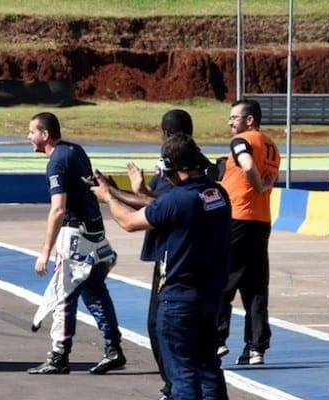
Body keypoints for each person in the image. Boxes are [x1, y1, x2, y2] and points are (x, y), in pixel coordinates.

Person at [91, 134, 231, 400]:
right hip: (210, 296)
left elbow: (130, 223)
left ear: (170, 167)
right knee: (209, 370)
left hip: (179, 298)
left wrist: (108, 199)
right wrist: (135, 192)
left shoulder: (177, 199)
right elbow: (165, 208)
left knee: (183, 374)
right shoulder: (217, 194)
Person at [25, 111, 126, 375]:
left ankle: (59, 356)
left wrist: (44, 253)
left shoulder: (56, 161)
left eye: (32, 132)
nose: (28, 137)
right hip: (96, 234)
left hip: (76, 239)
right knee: (95, 292)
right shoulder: (75, 150)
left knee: (63, 296)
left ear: (44, 135)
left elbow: (58, 209)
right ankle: (113, 349)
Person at [216, 99, 279, 365]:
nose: (231, 122)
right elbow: (270, 177)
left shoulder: (241, 141)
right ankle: (256, 347)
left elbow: (249, 167)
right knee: (255, 284)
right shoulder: (272, 146)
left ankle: (216, 339)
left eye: (235, 117)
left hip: (237, 217)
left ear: (249, 119)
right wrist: (263, 189)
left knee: (222, 280)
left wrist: (256, 186)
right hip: (261, 220)